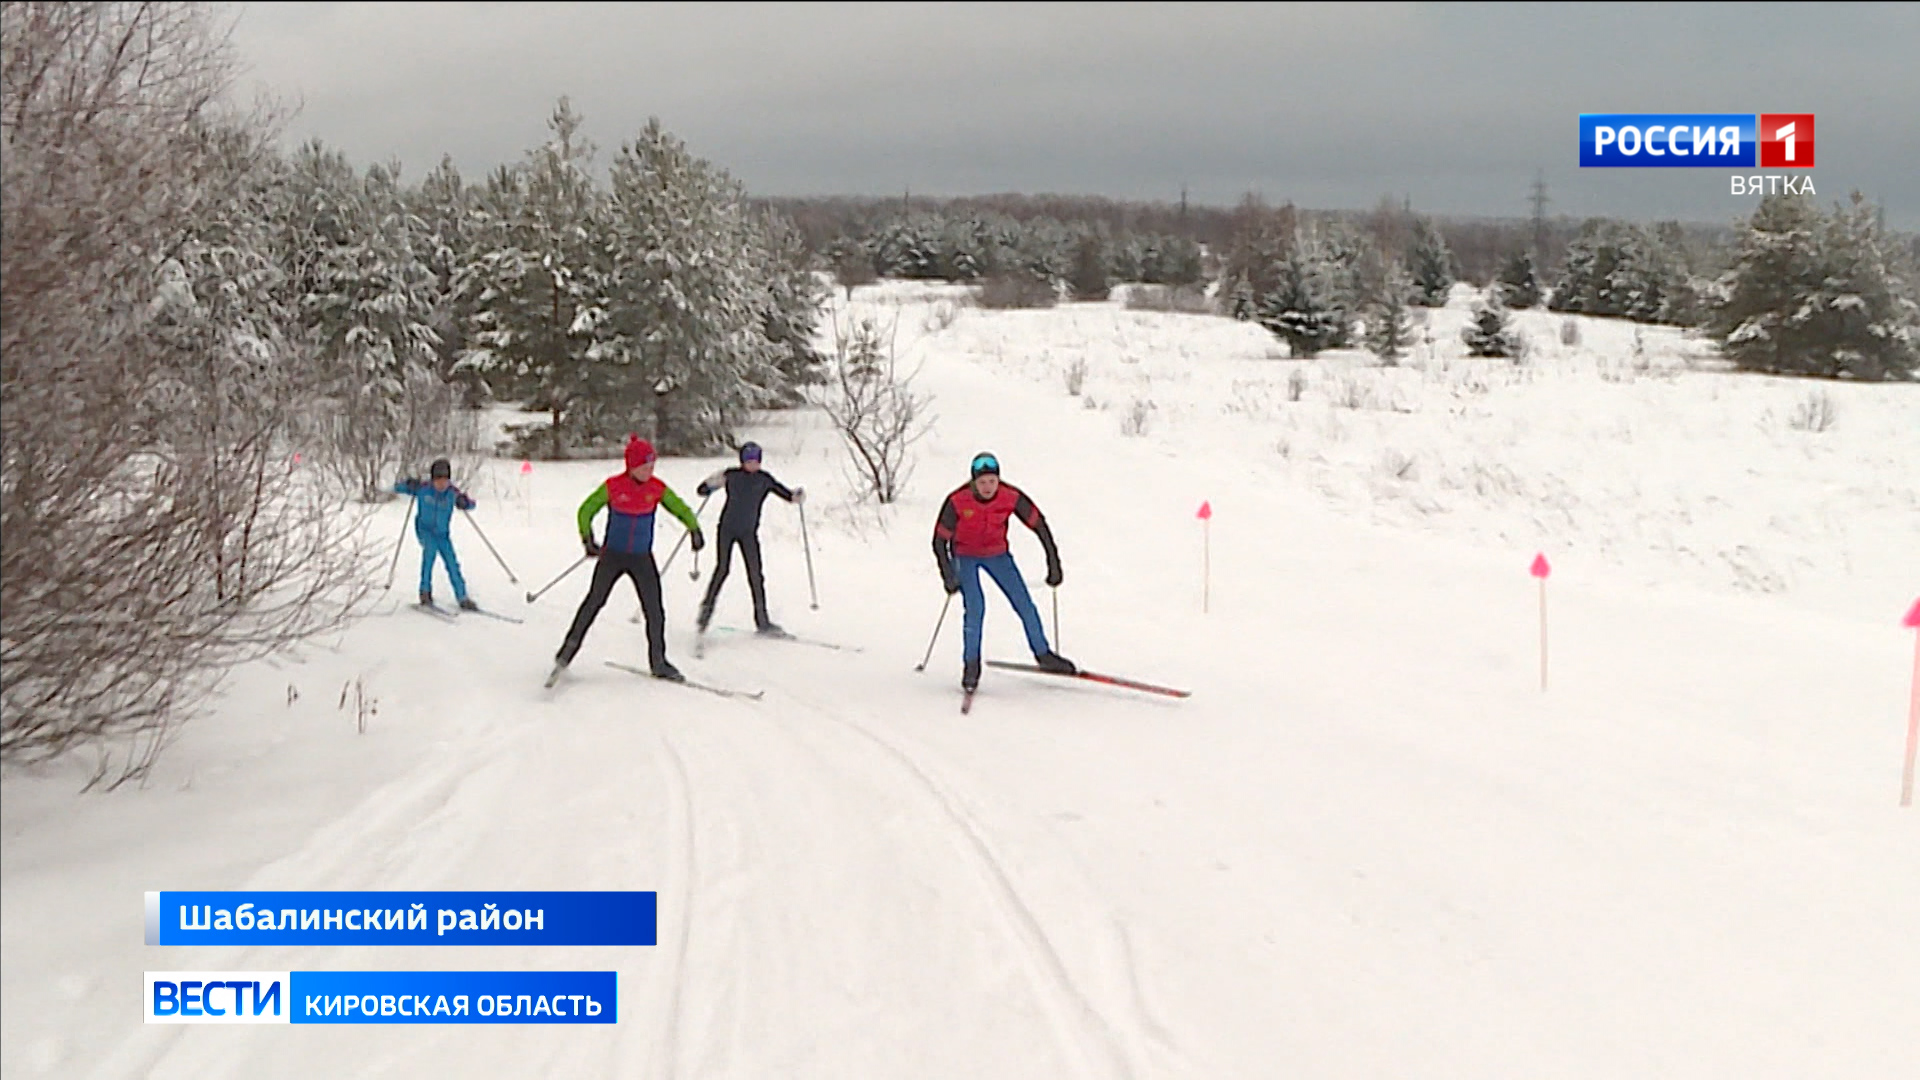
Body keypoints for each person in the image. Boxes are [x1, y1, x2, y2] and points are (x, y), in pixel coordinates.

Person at [554, 435, 704, 681]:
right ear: (631, 465)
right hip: (612, 556)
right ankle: (565, 654)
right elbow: (585, 510)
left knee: (654, 611)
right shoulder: (614, 486)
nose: (649, 471)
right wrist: (587, 539)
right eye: (645, 466)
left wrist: (694, 530)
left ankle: (659, 662)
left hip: (642, 558)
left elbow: (680, 509)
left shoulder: (656, 488)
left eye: (652, 466)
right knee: (593, 603)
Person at [931, 451, 1076, 691]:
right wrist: (948, 574)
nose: (988, 487)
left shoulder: (1011, 497)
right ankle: (971, 665)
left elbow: (1039, 525)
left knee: (1024, 603)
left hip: (998, 555)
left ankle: (1043, 654)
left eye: (992, 481)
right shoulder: (958, 501)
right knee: (976, 608)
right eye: (982, 482)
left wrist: (1053, 562)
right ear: (973, 482)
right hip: (965, 556)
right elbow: (938, 541)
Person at [694, 441, 804, 636]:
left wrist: (797, 496)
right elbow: (702, 490)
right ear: (742, 461)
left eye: (756, 461)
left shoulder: (764, 479)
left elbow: (787, 495)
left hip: (748, 533)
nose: (752, 465)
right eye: (748, 461)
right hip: (727, 530)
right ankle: (705, 614)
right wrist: (709, 484)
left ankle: (763, 622)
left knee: (755, 575)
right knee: (722, 570)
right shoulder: (731, 475)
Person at [394, 458, 478, 610]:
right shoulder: (423, 488)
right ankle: (425, 592)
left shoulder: (452, 493)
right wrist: (408, 484)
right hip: (424, 529)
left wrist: (465, 502)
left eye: (445, 480)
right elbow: (397, 488)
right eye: (438, 480)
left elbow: (471, 505)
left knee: (452, 562)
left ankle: (462, 597)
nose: (441, 484)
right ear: (432, 479)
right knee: (430, 554)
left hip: (442, 533)